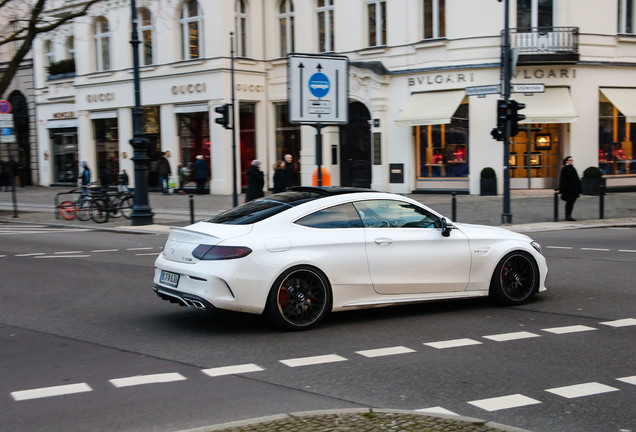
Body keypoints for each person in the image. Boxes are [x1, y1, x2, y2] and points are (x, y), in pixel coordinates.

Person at [558, 155, 582, 221]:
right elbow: (563, 180)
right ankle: (567, 216)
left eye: (572, 160)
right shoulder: (565, 169)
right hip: (568, 190)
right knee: (569, 203)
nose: (571, 161)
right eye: (570, 160)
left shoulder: (573, 168)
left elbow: (576, 179)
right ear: (567, 161)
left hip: (573, 190)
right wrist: (563, 189)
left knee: (571, 203)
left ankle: (569, 215)